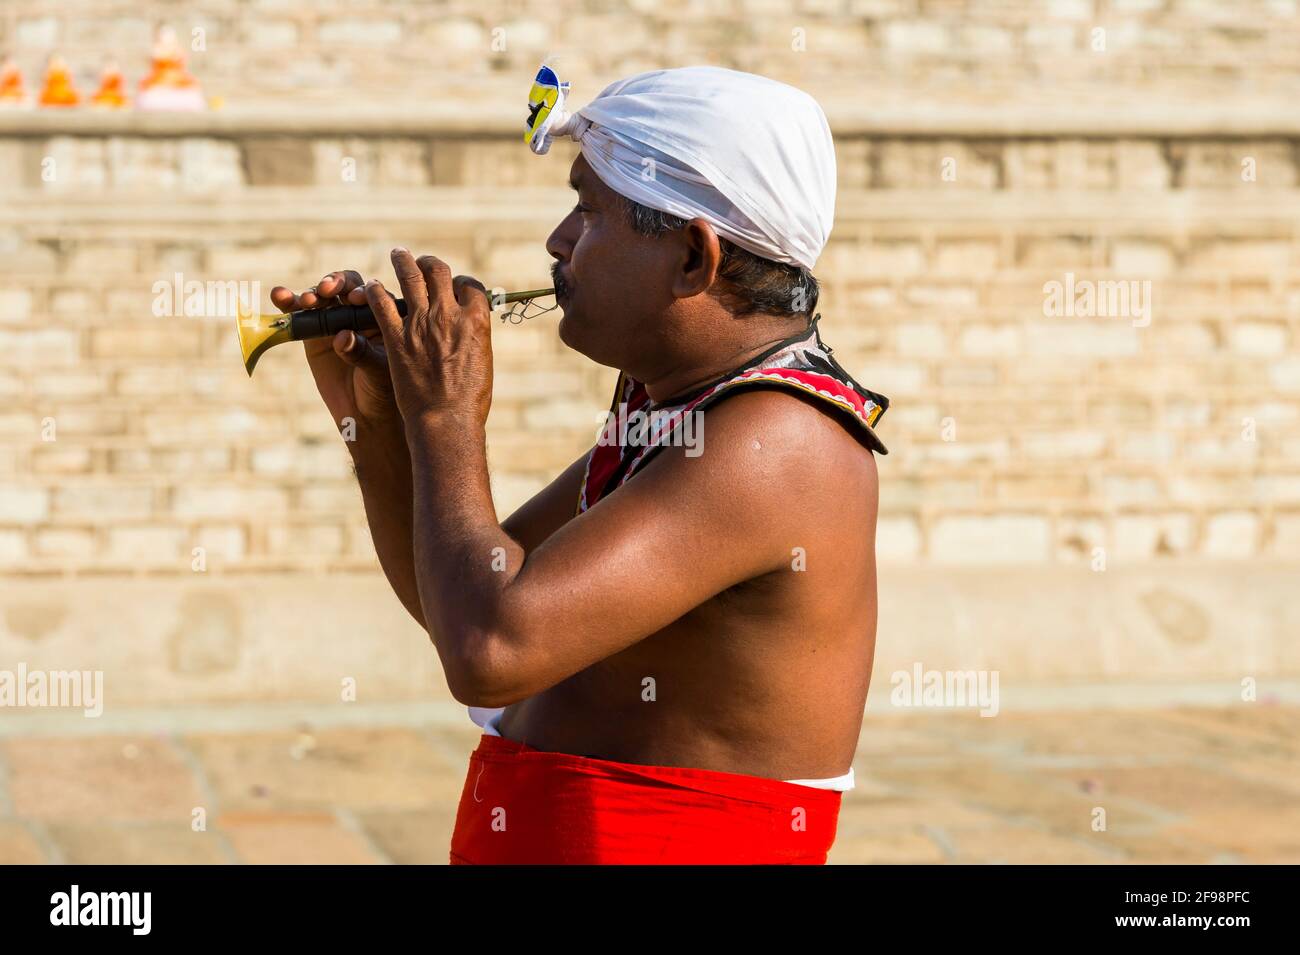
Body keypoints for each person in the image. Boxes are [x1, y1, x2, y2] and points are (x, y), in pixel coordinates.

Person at [270, 66, 889, 864]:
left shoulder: (777, 442)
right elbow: (458, 599)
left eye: (588, 212)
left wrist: (446, 415)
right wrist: (377, 417)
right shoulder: (678, 408)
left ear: (694, 259)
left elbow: (491, 651)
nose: (559, 241)